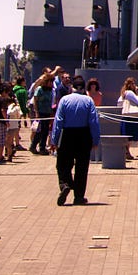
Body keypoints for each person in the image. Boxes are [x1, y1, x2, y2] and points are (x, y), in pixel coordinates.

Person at [51, 76, 100, 206]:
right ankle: (78, 197)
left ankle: (65, 184)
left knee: (62, 164)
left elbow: (58, 121)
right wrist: (95, 140)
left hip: (67, 134)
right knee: (81, 167)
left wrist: (54, 140)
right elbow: (94, 122)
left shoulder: (64, 100)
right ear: (84, 88)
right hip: (84, 135)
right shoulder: (89, 101)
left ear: (72, 88)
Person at [117, 77, 138, 159]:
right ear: (130, 84)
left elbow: (119, 103)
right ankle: (130, 152)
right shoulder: (130, 92)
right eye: (133, 84)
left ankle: (127, 152)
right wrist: (137, 93)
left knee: (127, 136)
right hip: (132, 116)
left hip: (126, 116)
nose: (135, 85)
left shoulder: (124, 92)